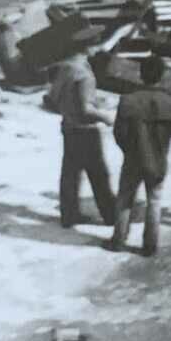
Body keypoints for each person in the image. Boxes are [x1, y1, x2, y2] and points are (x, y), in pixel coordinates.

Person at [107, 56, 171, 256]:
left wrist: (129, 150)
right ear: (163, 75)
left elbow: (119, 133)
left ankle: (118, 240)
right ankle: (150, 245)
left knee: (125, 199)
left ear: (141, 74)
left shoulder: (128, 100)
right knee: (154, 201)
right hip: (158, 158)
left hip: (133, 158)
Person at [45, 27, 116, 228]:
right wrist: (106, 117)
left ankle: (69, 215)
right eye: (96, 44)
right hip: (86, 130)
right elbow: (86, 109)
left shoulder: (64, 68)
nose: (98, 48)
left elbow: (52, 99)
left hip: (68, 126)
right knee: (98, 174)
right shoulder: (84, 73)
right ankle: (110, 216)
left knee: (70, 173)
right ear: (87, 47)